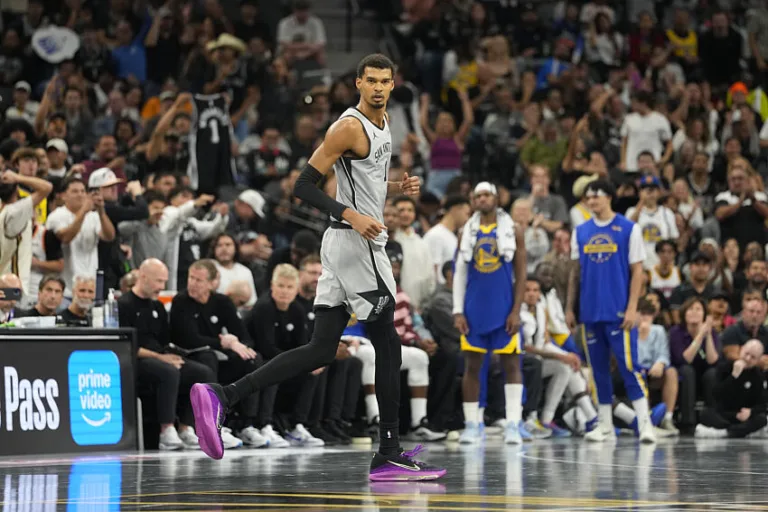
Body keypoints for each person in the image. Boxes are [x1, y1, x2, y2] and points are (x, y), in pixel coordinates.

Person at [190, 54, 446, 481]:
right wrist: (352, 215)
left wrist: (396, 187)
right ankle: (389, 451)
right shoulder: (348, 127)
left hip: (343, 245)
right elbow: (303, 186)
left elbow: (363, 180)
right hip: (356, 244)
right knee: (389, 344)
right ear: (358, 83)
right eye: (371, 81)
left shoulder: (384, 124)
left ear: (392, 83)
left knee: (322, 349)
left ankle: (224, 394)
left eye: (385, 81)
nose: (378, 87)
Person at [566, 179, 656, 443]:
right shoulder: (580, 231)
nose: (591, 201)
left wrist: (632, 308)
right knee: (598, 370)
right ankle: (605, 425)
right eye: (588, 197)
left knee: (629, 367)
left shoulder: (629, 228)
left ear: (608, 197)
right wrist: (570, 308)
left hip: (618, 311)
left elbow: (637, 271)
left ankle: (645, 423)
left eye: (596, 196)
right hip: (590, 311)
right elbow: (575, 272)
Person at [453, 181, 527, 445]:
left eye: (487, 195)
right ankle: (472, 425)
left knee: (511, 365)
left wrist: (516, 310)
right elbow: (459, 274)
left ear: (496, 199)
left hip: (504, 308)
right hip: (474, 309)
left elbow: (521, 275)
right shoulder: (465, 232)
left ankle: (513, 423)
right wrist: (458, 311)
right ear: (473, 201)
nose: (482, 199)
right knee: (472, 366)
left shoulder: (514, 230)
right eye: (478, 196)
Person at [118, 259, 216, 450]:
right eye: (159, 281)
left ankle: (186, 427)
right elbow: (128, 345)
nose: (162, 287)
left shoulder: (158, 307)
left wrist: (174, 355)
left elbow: (165, 342)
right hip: (136, 360)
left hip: (160, 356)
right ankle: (166, 429)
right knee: (168, 371)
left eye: (164, 281)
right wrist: (160, 358)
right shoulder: (124, 305)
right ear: (143, 277)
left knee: (201, 372)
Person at [520, 277, 590, 437]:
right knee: (538, 364)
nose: (531, 294)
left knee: (565, 367)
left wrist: (567, 356)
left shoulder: (540, 309)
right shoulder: (516, 311)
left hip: (537, 359)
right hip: (519, 361)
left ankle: (547, 419)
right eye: (527, 290)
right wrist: (559, 355)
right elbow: (525, 347)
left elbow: (544, 342)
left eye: (535, 290)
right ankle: (530, 417)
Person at [695, 339, 768, 438]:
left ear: (758, 360)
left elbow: (762, 404)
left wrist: (751, 412)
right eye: (746, 354)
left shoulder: (758, 375)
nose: (748, 358)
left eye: (753, 357)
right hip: (724, 414)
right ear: (741, 350)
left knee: (762, 419)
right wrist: (734, 376)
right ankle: (740, 431)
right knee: (705, 413)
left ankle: (725, 432)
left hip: (744, 416)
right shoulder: (725, 367)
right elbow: (716, 394)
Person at [668, 297, 719, 434]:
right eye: (691, 309)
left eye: (698, 309)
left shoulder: (712, 333)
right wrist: (700, 335)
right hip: (683, 377)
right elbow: (685, 359)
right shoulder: (676, 332)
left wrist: (708, 335)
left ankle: (711, 419)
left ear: (705, 315)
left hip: (704, 376)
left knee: (712, 373)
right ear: (684, 313)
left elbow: (712, 360)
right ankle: (688, 422)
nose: (694, 312)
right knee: (687, 371)